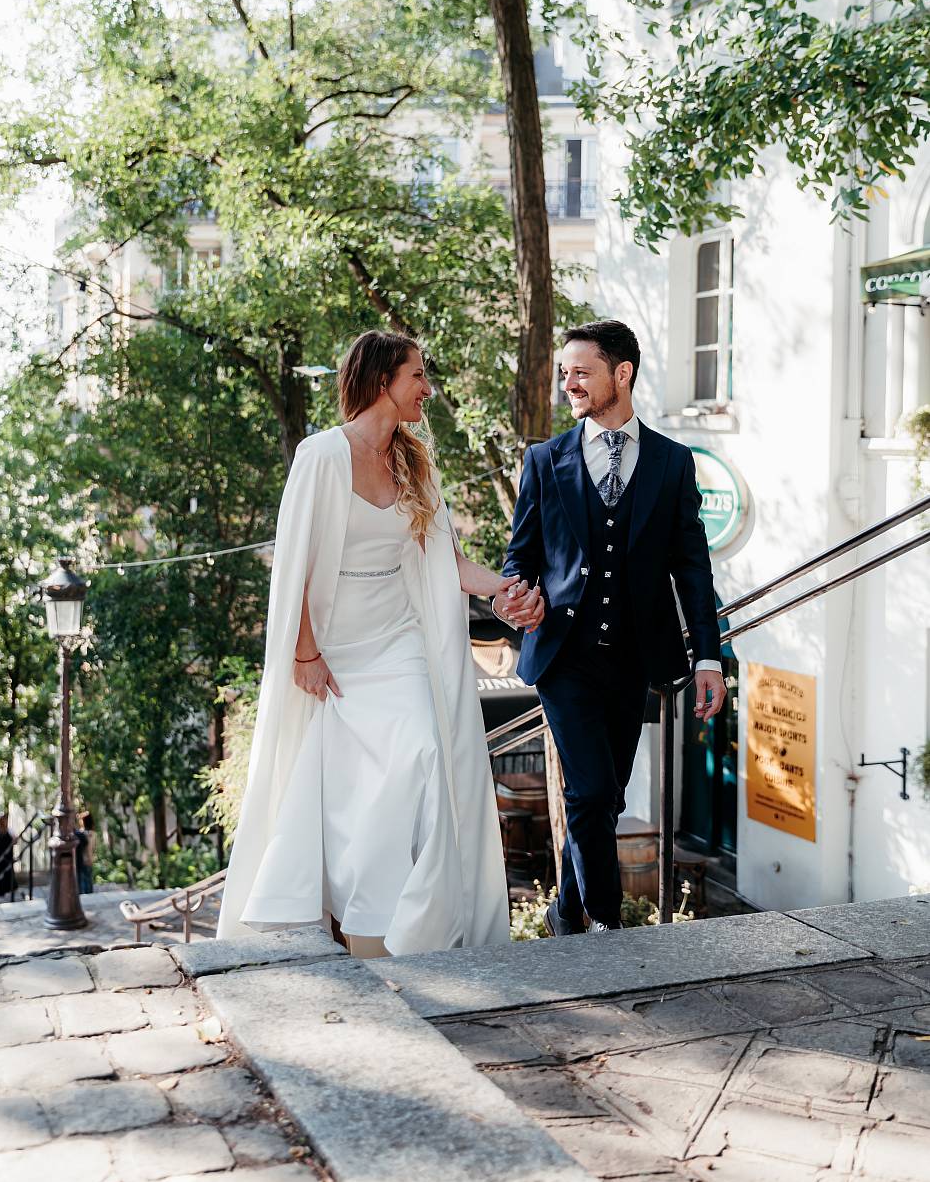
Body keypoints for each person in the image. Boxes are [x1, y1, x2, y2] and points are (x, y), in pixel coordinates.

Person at [218, 330, 543, 957]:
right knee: (355, 799)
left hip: (399, 643)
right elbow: (296, 566)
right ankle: (364, 928)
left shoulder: (415, 463)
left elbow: (444, 559)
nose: (428, 388)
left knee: (425, 755)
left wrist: (505, 589)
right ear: (381, 380)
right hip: (335, 650)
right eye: (417, 375)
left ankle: (416, 930)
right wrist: (304, 653)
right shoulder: (321, 455)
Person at [499, 320, 726, 935]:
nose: (568, 384)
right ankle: (605, 926)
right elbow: (520, 558)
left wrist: (708, 658)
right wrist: (514, 597)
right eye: (564, 372)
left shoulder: (672, 463)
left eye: (582, 372)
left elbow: (692, 567)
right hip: (563, 657)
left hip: (633, 660)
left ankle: (564, 913)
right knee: (593, 792)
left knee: (604, 797)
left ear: (621, 374)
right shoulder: (544, 460)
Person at [0, 812, 16, 901]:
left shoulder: (10, 830)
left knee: (8, 874)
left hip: (7, 858)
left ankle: (8, 893)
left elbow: (15, 840)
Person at [76, 812, 95, 896]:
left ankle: (85, 896)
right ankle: (90, 896)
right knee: (88, 880)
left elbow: (88, 848)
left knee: (83, 880)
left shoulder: (82, 833)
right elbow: (93, 848)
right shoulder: (93, 833)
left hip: (83, 858)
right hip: (89, 858)